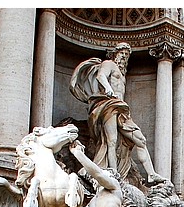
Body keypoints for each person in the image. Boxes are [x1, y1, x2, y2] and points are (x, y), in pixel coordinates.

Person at [69, 43, 165, 186]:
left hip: (121, 109)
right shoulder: (109, 64)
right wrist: (108, 90)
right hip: (109, 104)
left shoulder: (122, 73)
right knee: (111, 141)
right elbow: (101, 76)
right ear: (115, 54)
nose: (125, 57)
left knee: (141, 140)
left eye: (127, 54)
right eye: (122, 53)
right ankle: (114, 173)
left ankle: (151, 174)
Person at [68, 140, 123, 207]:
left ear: (111, 176)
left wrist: (78, 153)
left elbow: (98, 174)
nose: (94, 179)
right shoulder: (93, 201)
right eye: (93, 180)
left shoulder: (115, 187)